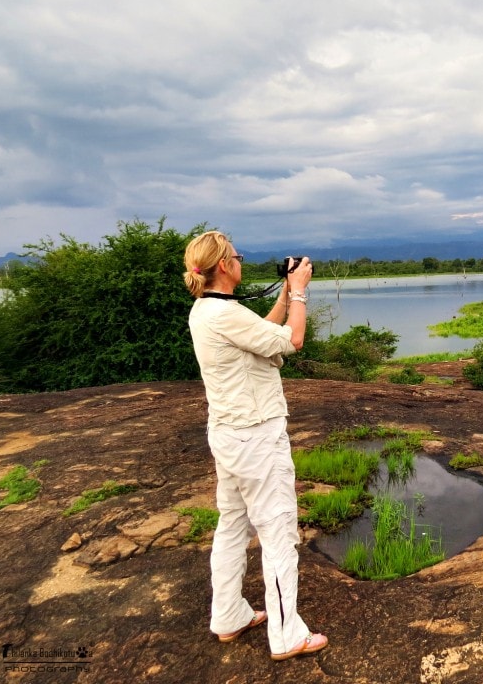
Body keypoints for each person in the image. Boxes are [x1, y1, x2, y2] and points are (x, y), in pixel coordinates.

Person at [183, 230, 327, 661]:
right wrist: (300, 293)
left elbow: (261, 332)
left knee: (232, 526)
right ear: (224, 265)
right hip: (256, 437)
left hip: (230, 434)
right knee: (278, 529)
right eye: (237, 256)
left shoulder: (211, 310)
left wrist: (284, 293)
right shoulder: (223, 314)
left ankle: (228, 615)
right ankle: (287, 636)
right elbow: (291, 341)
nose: (241, 261)